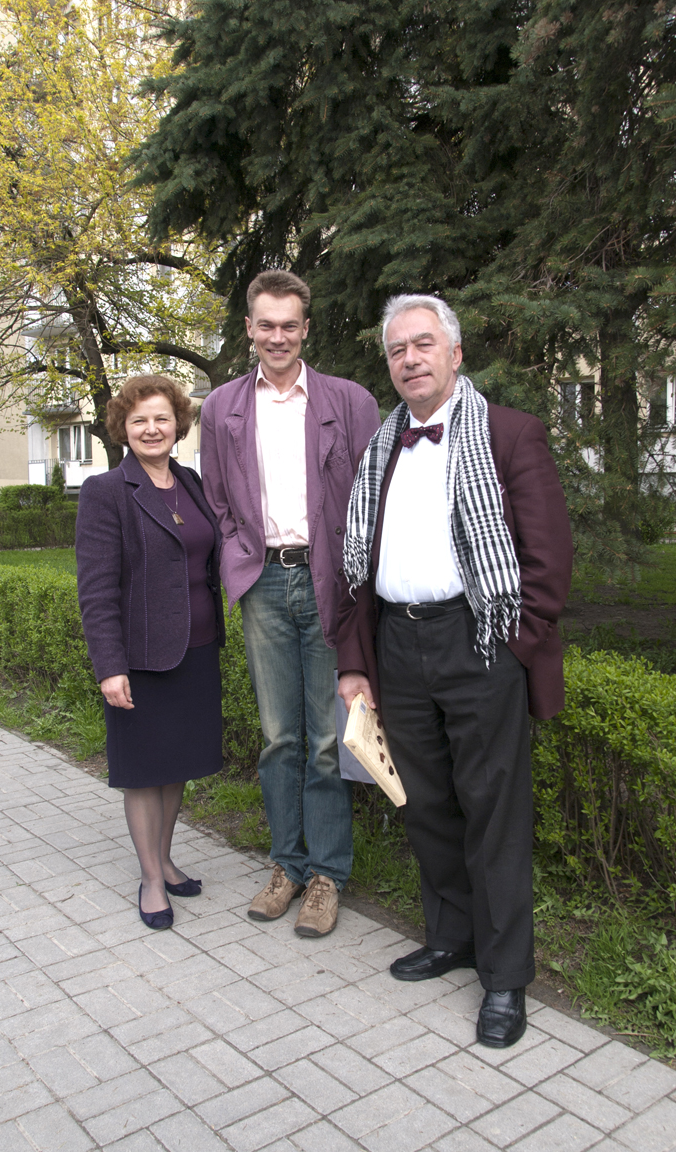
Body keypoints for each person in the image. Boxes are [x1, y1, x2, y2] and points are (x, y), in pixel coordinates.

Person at [337, 295, 573, 1047]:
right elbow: (356, 572)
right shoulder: (380, 448)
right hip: (399, 648)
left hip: (481, 643)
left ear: (455, 353)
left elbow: (547, 559)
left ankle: (505, 979)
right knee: (427, 803)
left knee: (494, 812)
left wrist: (515, 645)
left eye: (423, 344)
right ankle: (453, 937)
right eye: (397, 349)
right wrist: (357, 664)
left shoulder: (509, 434)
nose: (409, 358)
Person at [200, 270, 380, 937]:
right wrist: (237, 561)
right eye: (265, 324)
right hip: (266, 584)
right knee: (280, 737)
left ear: (306, 328)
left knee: (329, 737)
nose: (277, 336)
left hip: (330, 582)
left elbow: (369, 498)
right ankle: (287, 865)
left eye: (289, 325)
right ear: (249, 328)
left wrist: (361, 590)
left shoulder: (350, 400)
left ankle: (328, 875)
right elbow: (217, 500)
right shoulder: (221, 408)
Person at [76, 374, 224, 930]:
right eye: (139, 421)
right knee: (143, 771)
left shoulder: (193, 482)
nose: (152, 428)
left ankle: (165, 856)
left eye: (162, 418)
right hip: (139, 658)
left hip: (198, 649)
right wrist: (109, 667)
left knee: (176, 763)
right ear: (123, 429)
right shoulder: (106, 492)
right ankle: (152, 879)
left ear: (178, 423)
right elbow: (96, 588)